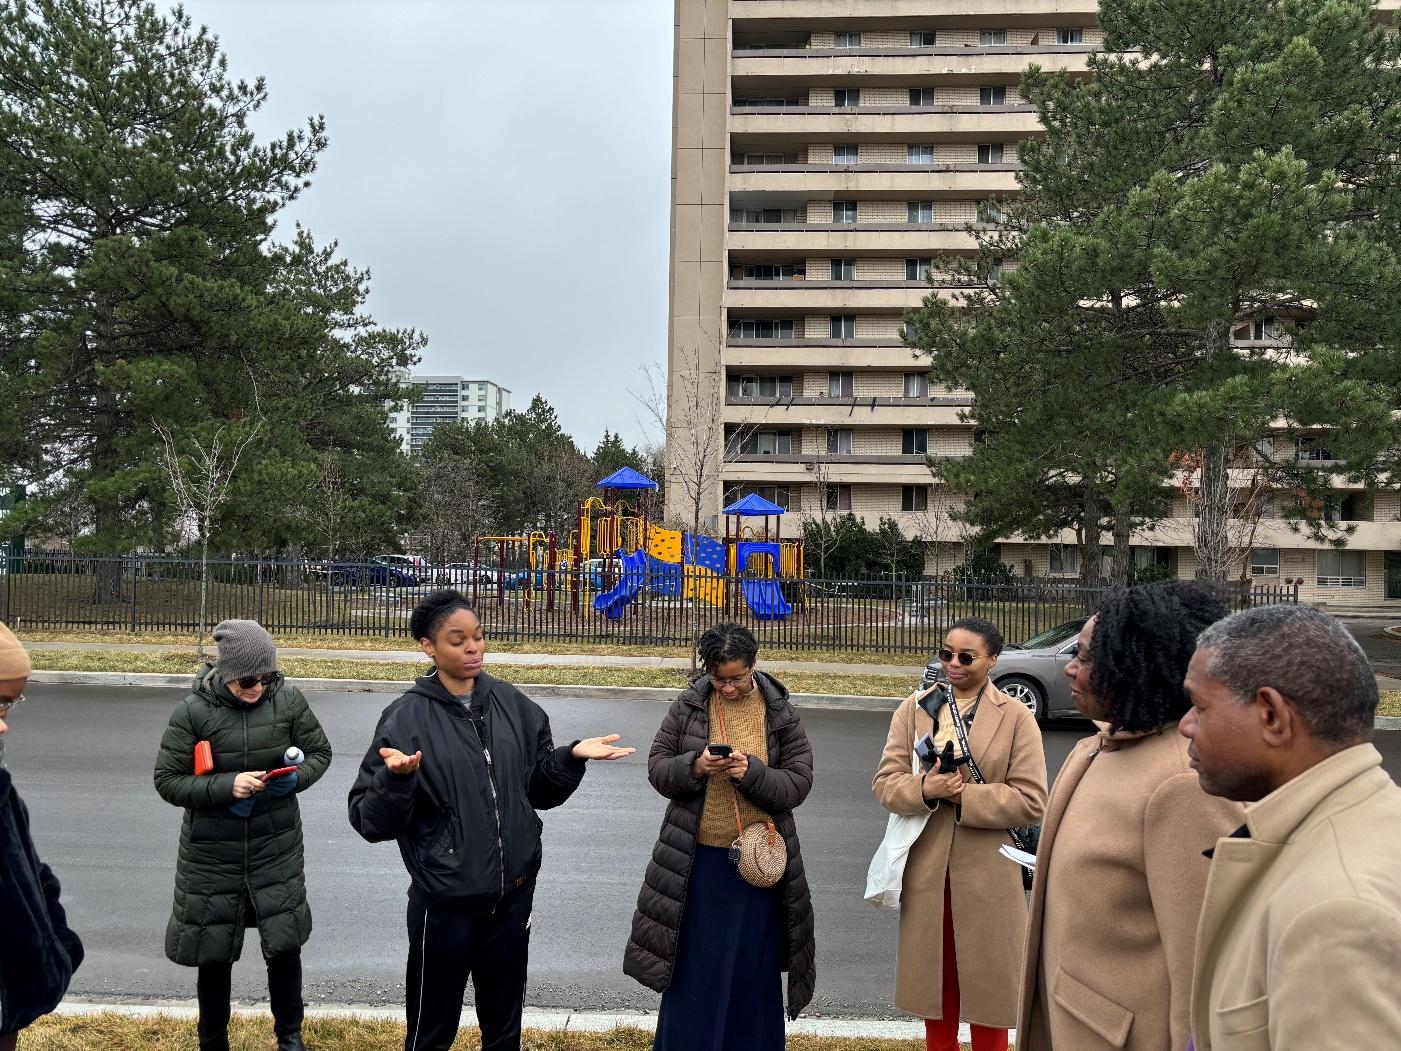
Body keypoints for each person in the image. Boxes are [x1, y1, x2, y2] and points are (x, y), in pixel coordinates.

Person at [348, 590, 633, 1051]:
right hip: (445, 903)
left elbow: (538, 790)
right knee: (430, 1031)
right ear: (428, 646)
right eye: (458, 640)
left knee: (504, 1029)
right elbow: (369, 821)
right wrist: (397, 781)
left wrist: (570, 757)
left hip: (512, 897)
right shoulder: (405, 718)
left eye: (478, 637)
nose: (473, 648)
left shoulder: (513, 705)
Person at [1016, 582, 1243, 1051]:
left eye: (1087, 658)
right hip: (1066, 1022)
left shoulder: (1183, 783)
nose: (1071, 668)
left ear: (1140, 666)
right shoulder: (1095, 748)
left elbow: (1205, 968)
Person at [1181, 604, 1401, 1050]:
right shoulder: (1369, 815)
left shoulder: (1336, 914)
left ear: (1273, 718)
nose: (1186, 725)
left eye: (1199, 705)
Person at [625, 622, 816, 1051]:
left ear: (754, 665)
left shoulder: (779, 711)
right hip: (698, 865)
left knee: (753, 971)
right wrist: (694, 767)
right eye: (718, 679)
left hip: (758, 869)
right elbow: (658, 768)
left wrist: (754, 775)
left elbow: (799, 784)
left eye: (737, 678)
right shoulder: (689, 707)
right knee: (696, 972)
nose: (727, 688)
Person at [154, 619, 332, 1051]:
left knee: (284, 949)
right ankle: (213, 1042)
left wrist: (296, 779)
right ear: (227, 674)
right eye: (248, 680)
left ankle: (290, 1038)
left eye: (266, 677)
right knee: (214, 955)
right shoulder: (193, 711)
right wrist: (223, 787)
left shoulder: (288, 701)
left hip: (276, 846)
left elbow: (321, 753)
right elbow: (167, 780)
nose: (258, 687)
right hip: (213, 854)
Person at [873, 617, 1047, 1051]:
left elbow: (1031, 799)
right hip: (927, 867)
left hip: (991, 868)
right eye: (946, 653)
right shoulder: (915, 708)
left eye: (966, 657)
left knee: (991, 987)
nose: (953, 663)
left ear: (992, 660)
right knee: (936, 986)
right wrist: (925, 789)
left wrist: (965, 796)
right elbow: (885, 783)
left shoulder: (1017, 718)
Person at [0, 620, 84, 1051]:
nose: (3, 726)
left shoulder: (2, 791)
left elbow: (33, 874)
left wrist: (58, 947)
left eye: (9, 708)